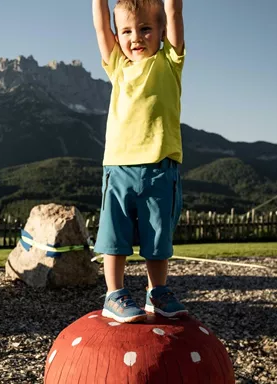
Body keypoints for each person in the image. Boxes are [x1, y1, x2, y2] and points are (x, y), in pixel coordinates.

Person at [92, 0, 188, 323]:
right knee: (114, 237)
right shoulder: (117, 66)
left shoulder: (169, 62)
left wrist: (171, 9)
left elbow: (174, 10)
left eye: (146, 28)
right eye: (127, 31)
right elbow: (100, 25)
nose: (136, 37)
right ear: (118, 36)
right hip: (118, 167)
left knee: (157, 238)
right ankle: (114, 294)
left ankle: (157, 292)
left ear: (161, 31)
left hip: (160, 168)